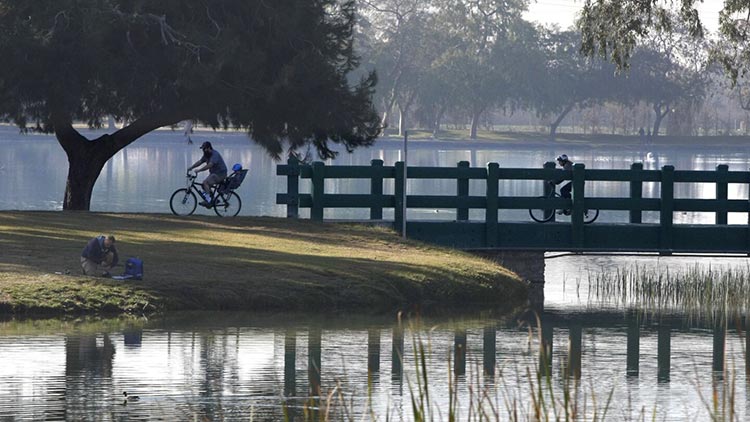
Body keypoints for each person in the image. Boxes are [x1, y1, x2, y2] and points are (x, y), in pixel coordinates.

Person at [187, 141, 228, 206]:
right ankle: (213, 200)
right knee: (204, 185)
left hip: (220, 174)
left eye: (204, 149)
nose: (203, 150)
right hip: (214, 174)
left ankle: (208, 201)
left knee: (205, 182)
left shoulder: (215, 155)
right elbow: (200, 162)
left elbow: (210, 165)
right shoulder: (206, 155)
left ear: (209, 148)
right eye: (203, 149)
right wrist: (191, 167)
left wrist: (199, 170)